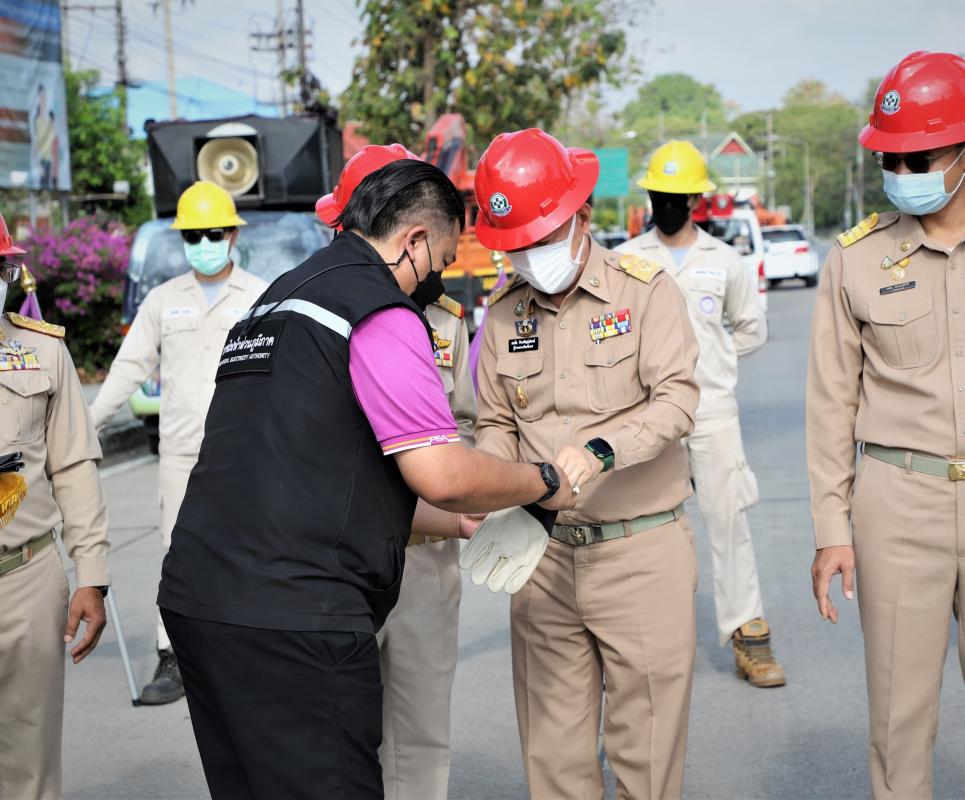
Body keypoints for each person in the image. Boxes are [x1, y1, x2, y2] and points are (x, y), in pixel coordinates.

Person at [156, 159, 576, 799]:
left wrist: (461, 523)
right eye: (440, 261)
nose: (436, 280)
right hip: (297, 616)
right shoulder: (378, 309)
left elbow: (322, 472)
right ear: (414, 240)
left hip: (201, 603)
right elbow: (443, 474)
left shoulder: (275, 301)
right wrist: (543, 481)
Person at [472, 128, 701, 800]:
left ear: (581, 217)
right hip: (541, 559)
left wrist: (602, 452)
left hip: (639, 553)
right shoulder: (503, 312)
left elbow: (677, 399)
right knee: (553, 759)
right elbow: (494, 421)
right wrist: (488, 486)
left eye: (541, 238)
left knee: (646, 759)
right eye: (516, 246)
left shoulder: (645, 292)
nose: (528, 257)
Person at [807, 50, 965, 799]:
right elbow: (830, 404)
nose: (902, 172)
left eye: (919, 158)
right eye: (889, 159)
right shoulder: (857, 259)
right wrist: (830, 529)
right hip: (899, 499)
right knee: (900, 723)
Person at [317, 144, 476, 799]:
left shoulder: (444, 323)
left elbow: (464, 426)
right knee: (335, 730)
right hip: (339, 556)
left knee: (418, 731)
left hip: (423, 557)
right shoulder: (317, 314)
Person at [90, 181, 267, 705]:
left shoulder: (260, 296)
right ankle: (173, 656)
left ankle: (246, 654)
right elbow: (128, 369)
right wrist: (82, 427)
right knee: (178, 554)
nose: (204, 243)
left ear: (233, 235)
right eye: (193, 235)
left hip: (245, 455)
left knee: (248, 551)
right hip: (182, 453)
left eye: (214, 233)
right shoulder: (163, 301)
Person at [617, 140, 784, 688]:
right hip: (647, 415)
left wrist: (711, 363)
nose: (666, 206)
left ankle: (748, 632)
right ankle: (639, 640)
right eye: (658, 196)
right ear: (649, 197)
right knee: (641, 526)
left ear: (694, 201)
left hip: (711, 412)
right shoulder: (627, 261)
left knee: (728, 521)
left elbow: (751, 328)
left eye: (676, 197)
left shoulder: (725, 261)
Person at [0, 211, 111, 799]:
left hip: (25, 577)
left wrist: (91, 574)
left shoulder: (42, 352)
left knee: (29, 760)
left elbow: (73, 467)